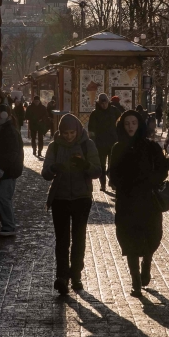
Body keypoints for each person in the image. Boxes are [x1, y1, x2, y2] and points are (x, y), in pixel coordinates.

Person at [108, 110, 169, 297]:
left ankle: (147, 262)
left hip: (149, 202)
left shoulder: (151, 147)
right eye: (127, 123)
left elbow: (163, 169)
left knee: (152, 236)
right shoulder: (118, 148)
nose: (130, 127)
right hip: (127, 202)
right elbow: (112, 173)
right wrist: (121, 182)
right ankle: (135, 281)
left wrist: (151, 180)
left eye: (133, 123)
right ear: (122, 125)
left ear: (139, 124)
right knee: (129, 240)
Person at [42, 114, 102, 294]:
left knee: (78, 238)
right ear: (60, 132)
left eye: (71, 133)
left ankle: (76, 275)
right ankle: (62, 276)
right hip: (59, 199)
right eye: (65, 133)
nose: (68, 136)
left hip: (81, 198)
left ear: (77, 130)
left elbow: (97, 171)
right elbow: (45, 173)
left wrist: (85, 165)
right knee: (62, 240)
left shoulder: (87, 145)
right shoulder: (54, 146)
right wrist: (53, 168)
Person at [0, 104, 24, 236]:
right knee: (3, 197)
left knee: (4, 197)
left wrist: (2, 168)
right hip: (6, 169)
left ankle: (9, 226)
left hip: (9, 171)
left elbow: (11, 153)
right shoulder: (2, 128)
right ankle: (8, 225)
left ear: (4, 114)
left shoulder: (8, 130)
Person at [87, 93, 120, 191]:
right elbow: (91, 129)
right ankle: (103, 184)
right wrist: (92, 142)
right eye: (102, 103)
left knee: (112, 164)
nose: (104, 105)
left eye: (105, 103)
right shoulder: (95, 113)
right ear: (99, 103)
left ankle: (112, 182)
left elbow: (121, 121)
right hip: (100, 143)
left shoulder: (114, 110)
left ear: (108, 102)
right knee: (102, 165)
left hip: (113, 141)